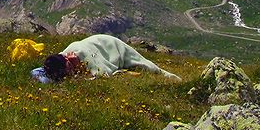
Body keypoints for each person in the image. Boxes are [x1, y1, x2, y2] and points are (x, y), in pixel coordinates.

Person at [40, 34, 181, 81]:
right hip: (99, 42)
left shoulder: (80, 52)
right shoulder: (59, 60)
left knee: (147, 66)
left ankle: (172, 78)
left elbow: (102, 73)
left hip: (112, 46)